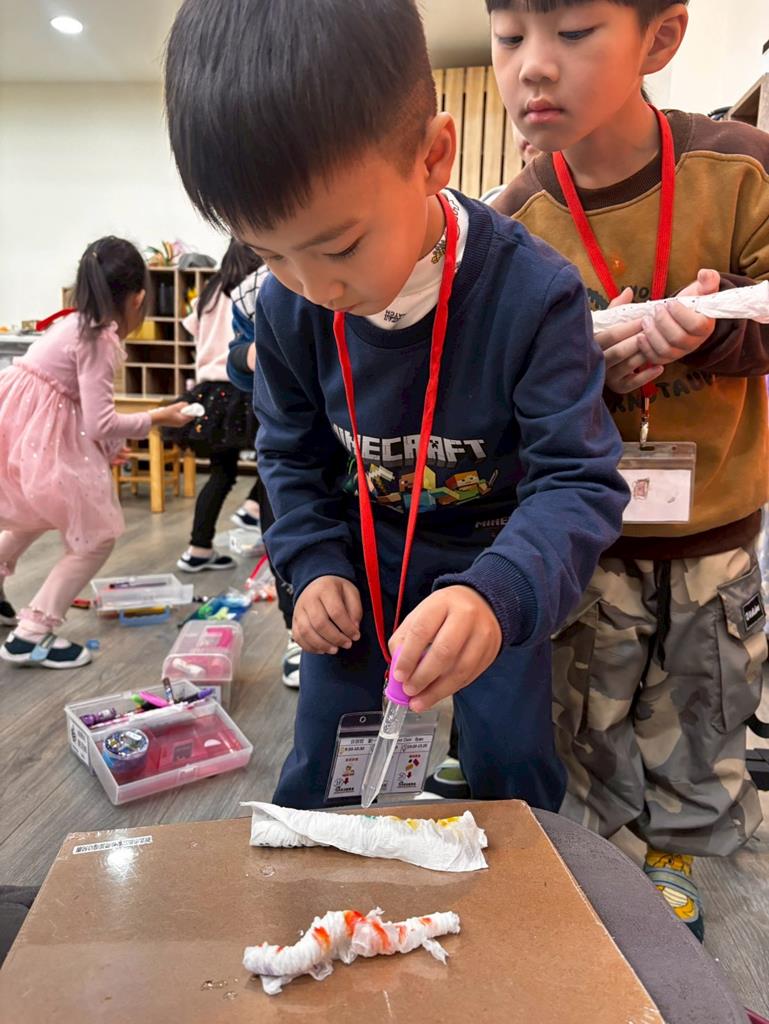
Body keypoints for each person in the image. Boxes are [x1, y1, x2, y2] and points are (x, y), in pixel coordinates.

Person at [164, 0, 628, 810]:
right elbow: (288, 455)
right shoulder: (285, 307)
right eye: (269, 253)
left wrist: (498, 593)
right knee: (323, 763)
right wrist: (310, 565)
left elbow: (576, 481)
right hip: (358, 561)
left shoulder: (534, 293)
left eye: (339, 245)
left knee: (512, 762)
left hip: (496, 551)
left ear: (432, 155)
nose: (315, 286)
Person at [489, 0, 769, 941]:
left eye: (571, 34)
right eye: (508, 36)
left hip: (713, 525)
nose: (532, 66)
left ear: (659, 37)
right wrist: (583, 373)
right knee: (586, 706)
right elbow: (498, 388)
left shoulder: (739, 168)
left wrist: (713, 333)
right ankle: (604, 864)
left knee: (703, 701)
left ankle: (672, 858)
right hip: (582, 536)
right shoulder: (510, 223)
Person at [0, 236, 192, 668]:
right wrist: (159, 416)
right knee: (96, 537)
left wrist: (108, 448)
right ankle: (30, 635)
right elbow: (99, 421)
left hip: (24, 433)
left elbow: (81, 406)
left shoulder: (73, 323)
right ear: (138, 297)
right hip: (42, 437)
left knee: (36, 512)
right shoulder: (98, 338)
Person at [227, 264, 303, 689]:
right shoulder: (256, 290)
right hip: (289, 433)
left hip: (357, 442)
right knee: (286, 529)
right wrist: (252, 354)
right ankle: (297, 631)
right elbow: (235, 360)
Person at [170, 239, 265, 573]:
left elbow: (192, 330)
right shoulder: (253, 291)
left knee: (220, 473)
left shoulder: (208, 294)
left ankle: (198, 549)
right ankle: (253, 508)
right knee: (275, 457)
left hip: (209, 394)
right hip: (243, 388)